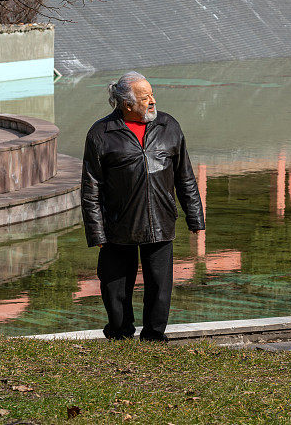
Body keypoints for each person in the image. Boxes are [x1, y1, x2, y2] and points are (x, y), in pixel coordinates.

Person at [80, 71, 205, 342]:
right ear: (126, 104)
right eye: (145, 96)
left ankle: (154, 336)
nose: (152, 101)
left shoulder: (168, 126)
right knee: (115, 286)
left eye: (152, 94)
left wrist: (194, 216)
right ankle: (120, 333)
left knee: (160, 286)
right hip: (118, 224)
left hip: (161, 219)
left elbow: (185, 175)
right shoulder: (101, 133)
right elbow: (91, 188)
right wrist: (96, 233)